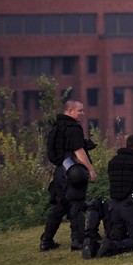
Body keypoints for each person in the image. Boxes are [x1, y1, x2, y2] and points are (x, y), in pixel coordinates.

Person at [84, 134, 133, 258]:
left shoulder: (112, 162)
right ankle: (111, 247)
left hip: (114, 207)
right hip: (131, 208)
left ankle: (93, 246)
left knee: (118, 238)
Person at [40, 99, 97, 252]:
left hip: (59, 172)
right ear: (70, 111)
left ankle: (46, 241)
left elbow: (57, 152)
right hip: (73, 172)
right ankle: (78, 241)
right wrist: (90, 169)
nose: (83, 114)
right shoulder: (73, 128)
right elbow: (78, 151)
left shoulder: (56, 127)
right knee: (77, 205)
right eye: (80, 110)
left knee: (60, 206)